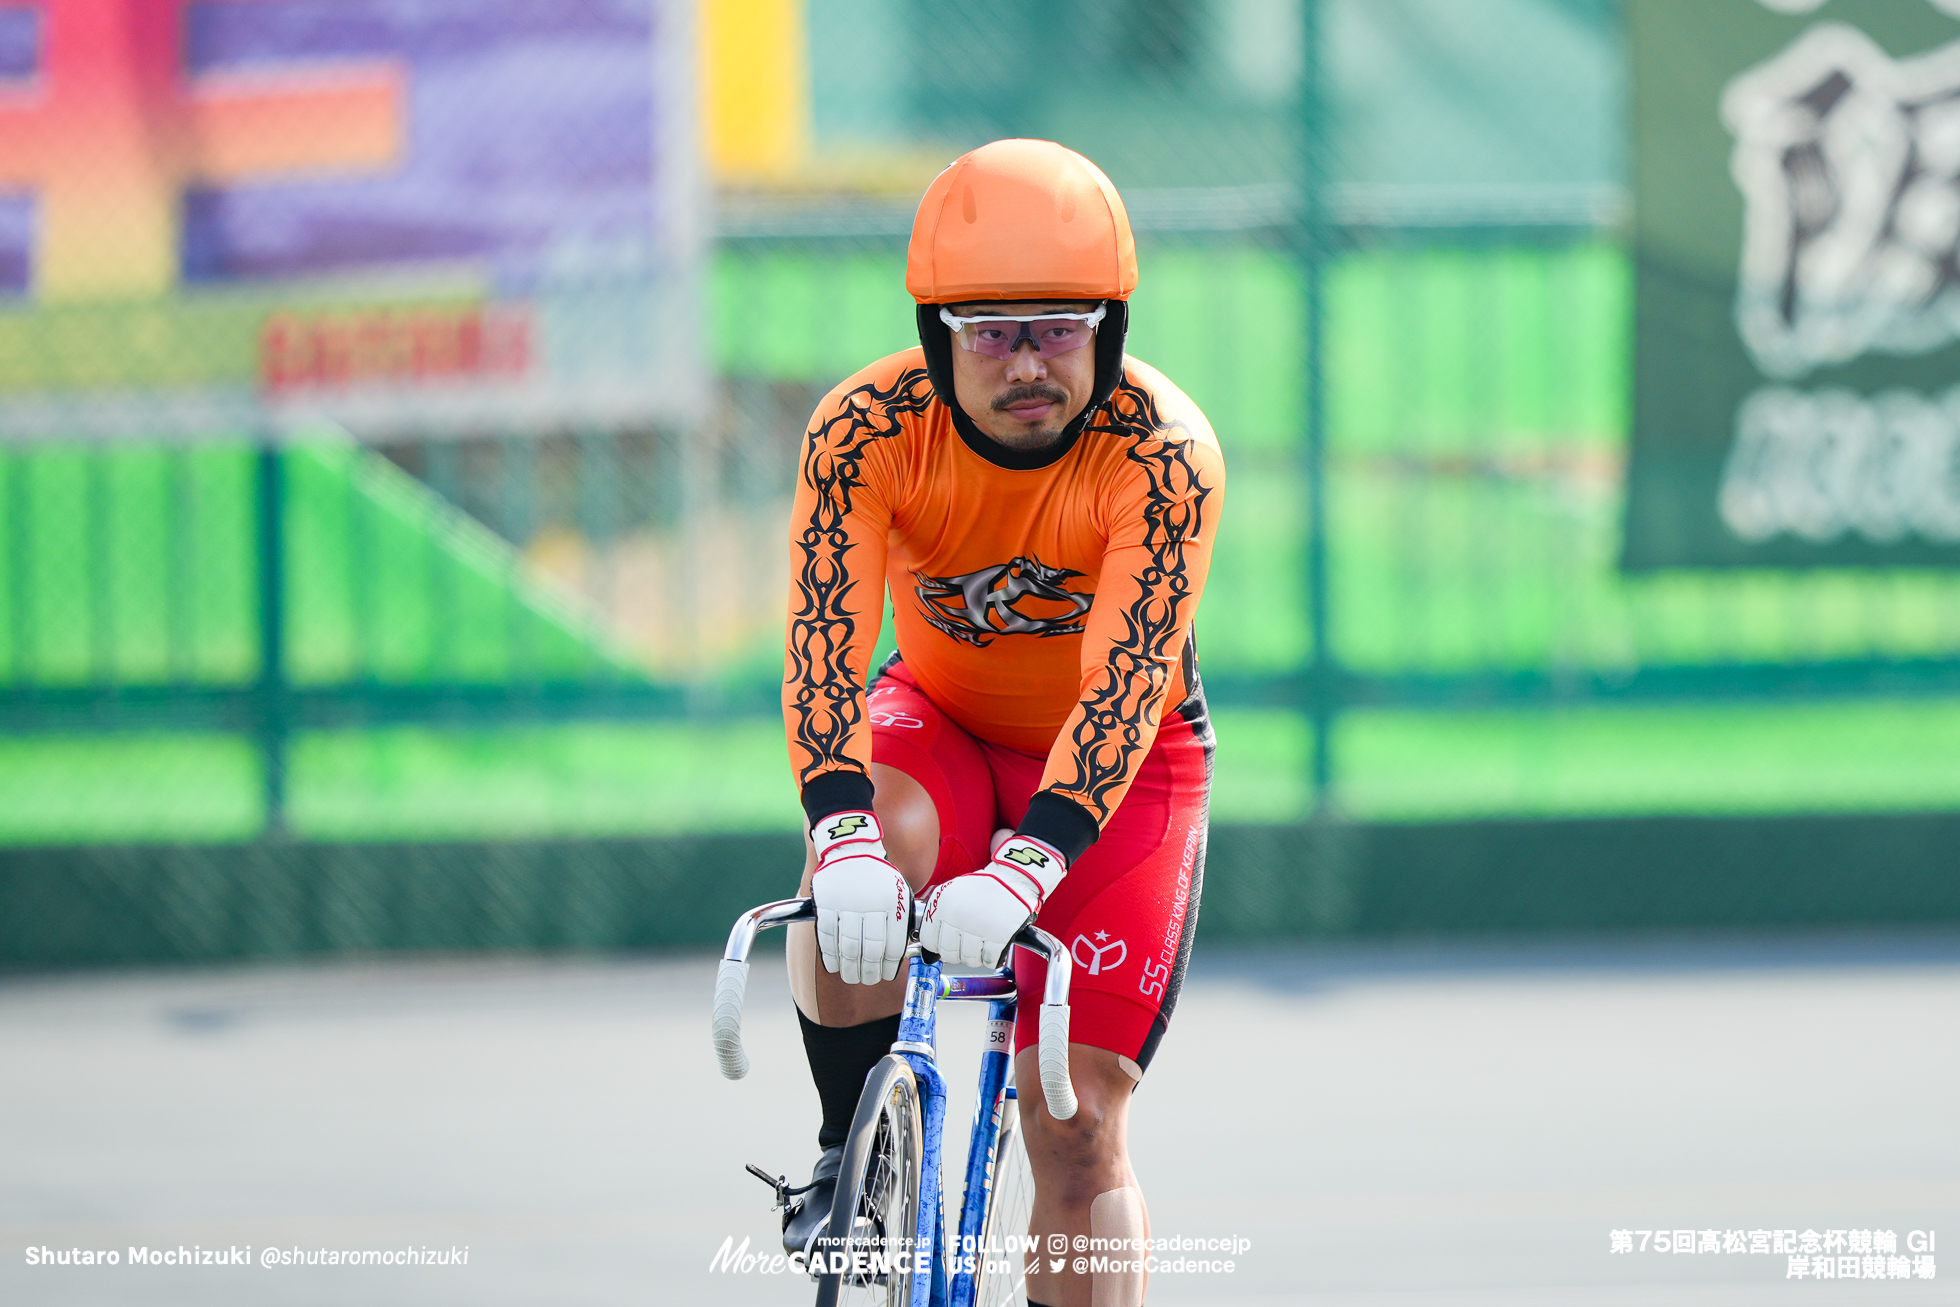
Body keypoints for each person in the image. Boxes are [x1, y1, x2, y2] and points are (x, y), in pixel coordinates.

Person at [779, 138, 1224, 1307]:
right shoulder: (863, 429)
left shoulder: (1166, 456)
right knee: (868, 844)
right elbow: (825, 641)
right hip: (941, 718)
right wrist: (838, 840)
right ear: (936, 335)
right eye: (990, 331)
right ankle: (845, 1153)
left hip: (1123, 772)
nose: (1027, 362)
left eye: (1059, 328)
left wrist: (1030, 863)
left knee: (1073, 1122)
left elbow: (1124, 686)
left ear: (1109, 328)